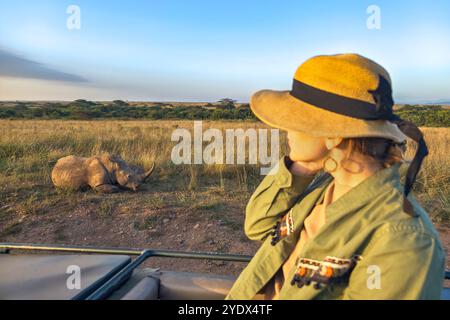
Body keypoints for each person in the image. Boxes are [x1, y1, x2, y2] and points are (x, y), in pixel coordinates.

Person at [225, 53, 445, 300]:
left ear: (333, 134)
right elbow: (257, 226)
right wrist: (302, 168)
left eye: (296, 121)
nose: (286, 130)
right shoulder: (324, 188)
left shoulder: (403, 242)